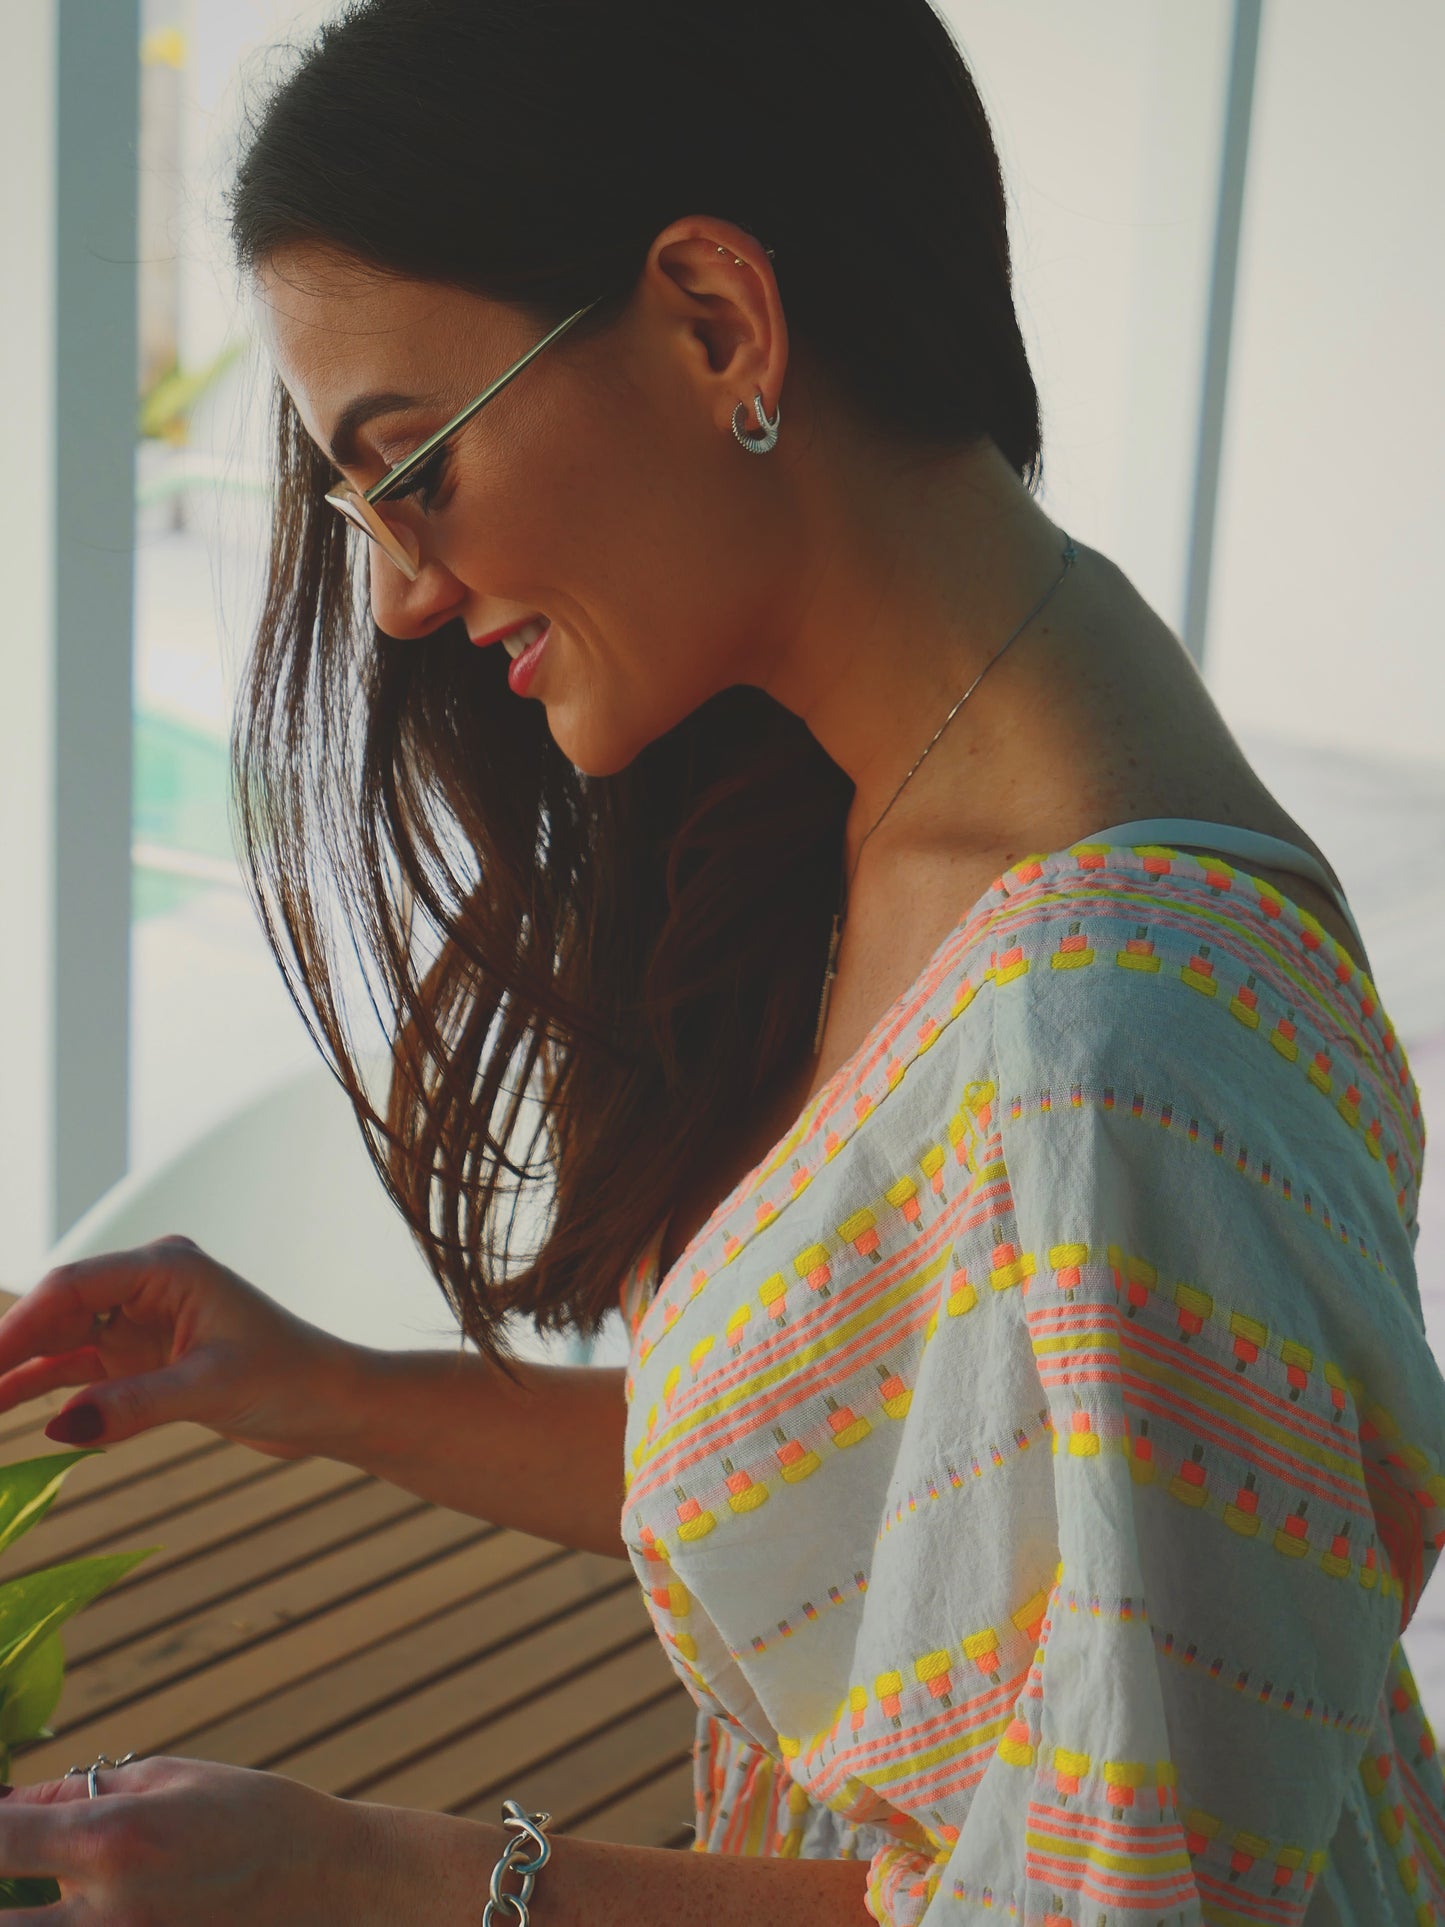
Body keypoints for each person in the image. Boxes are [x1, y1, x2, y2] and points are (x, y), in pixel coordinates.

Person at [0, 1, 1441, 1920]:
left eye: (409, 463)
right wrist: (316, 1384)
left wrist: (382, 1876)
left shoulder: (1109, 1045)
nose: (397, 591)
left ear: (711, 322)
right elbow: (891, 1496)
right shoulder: (903, 799)